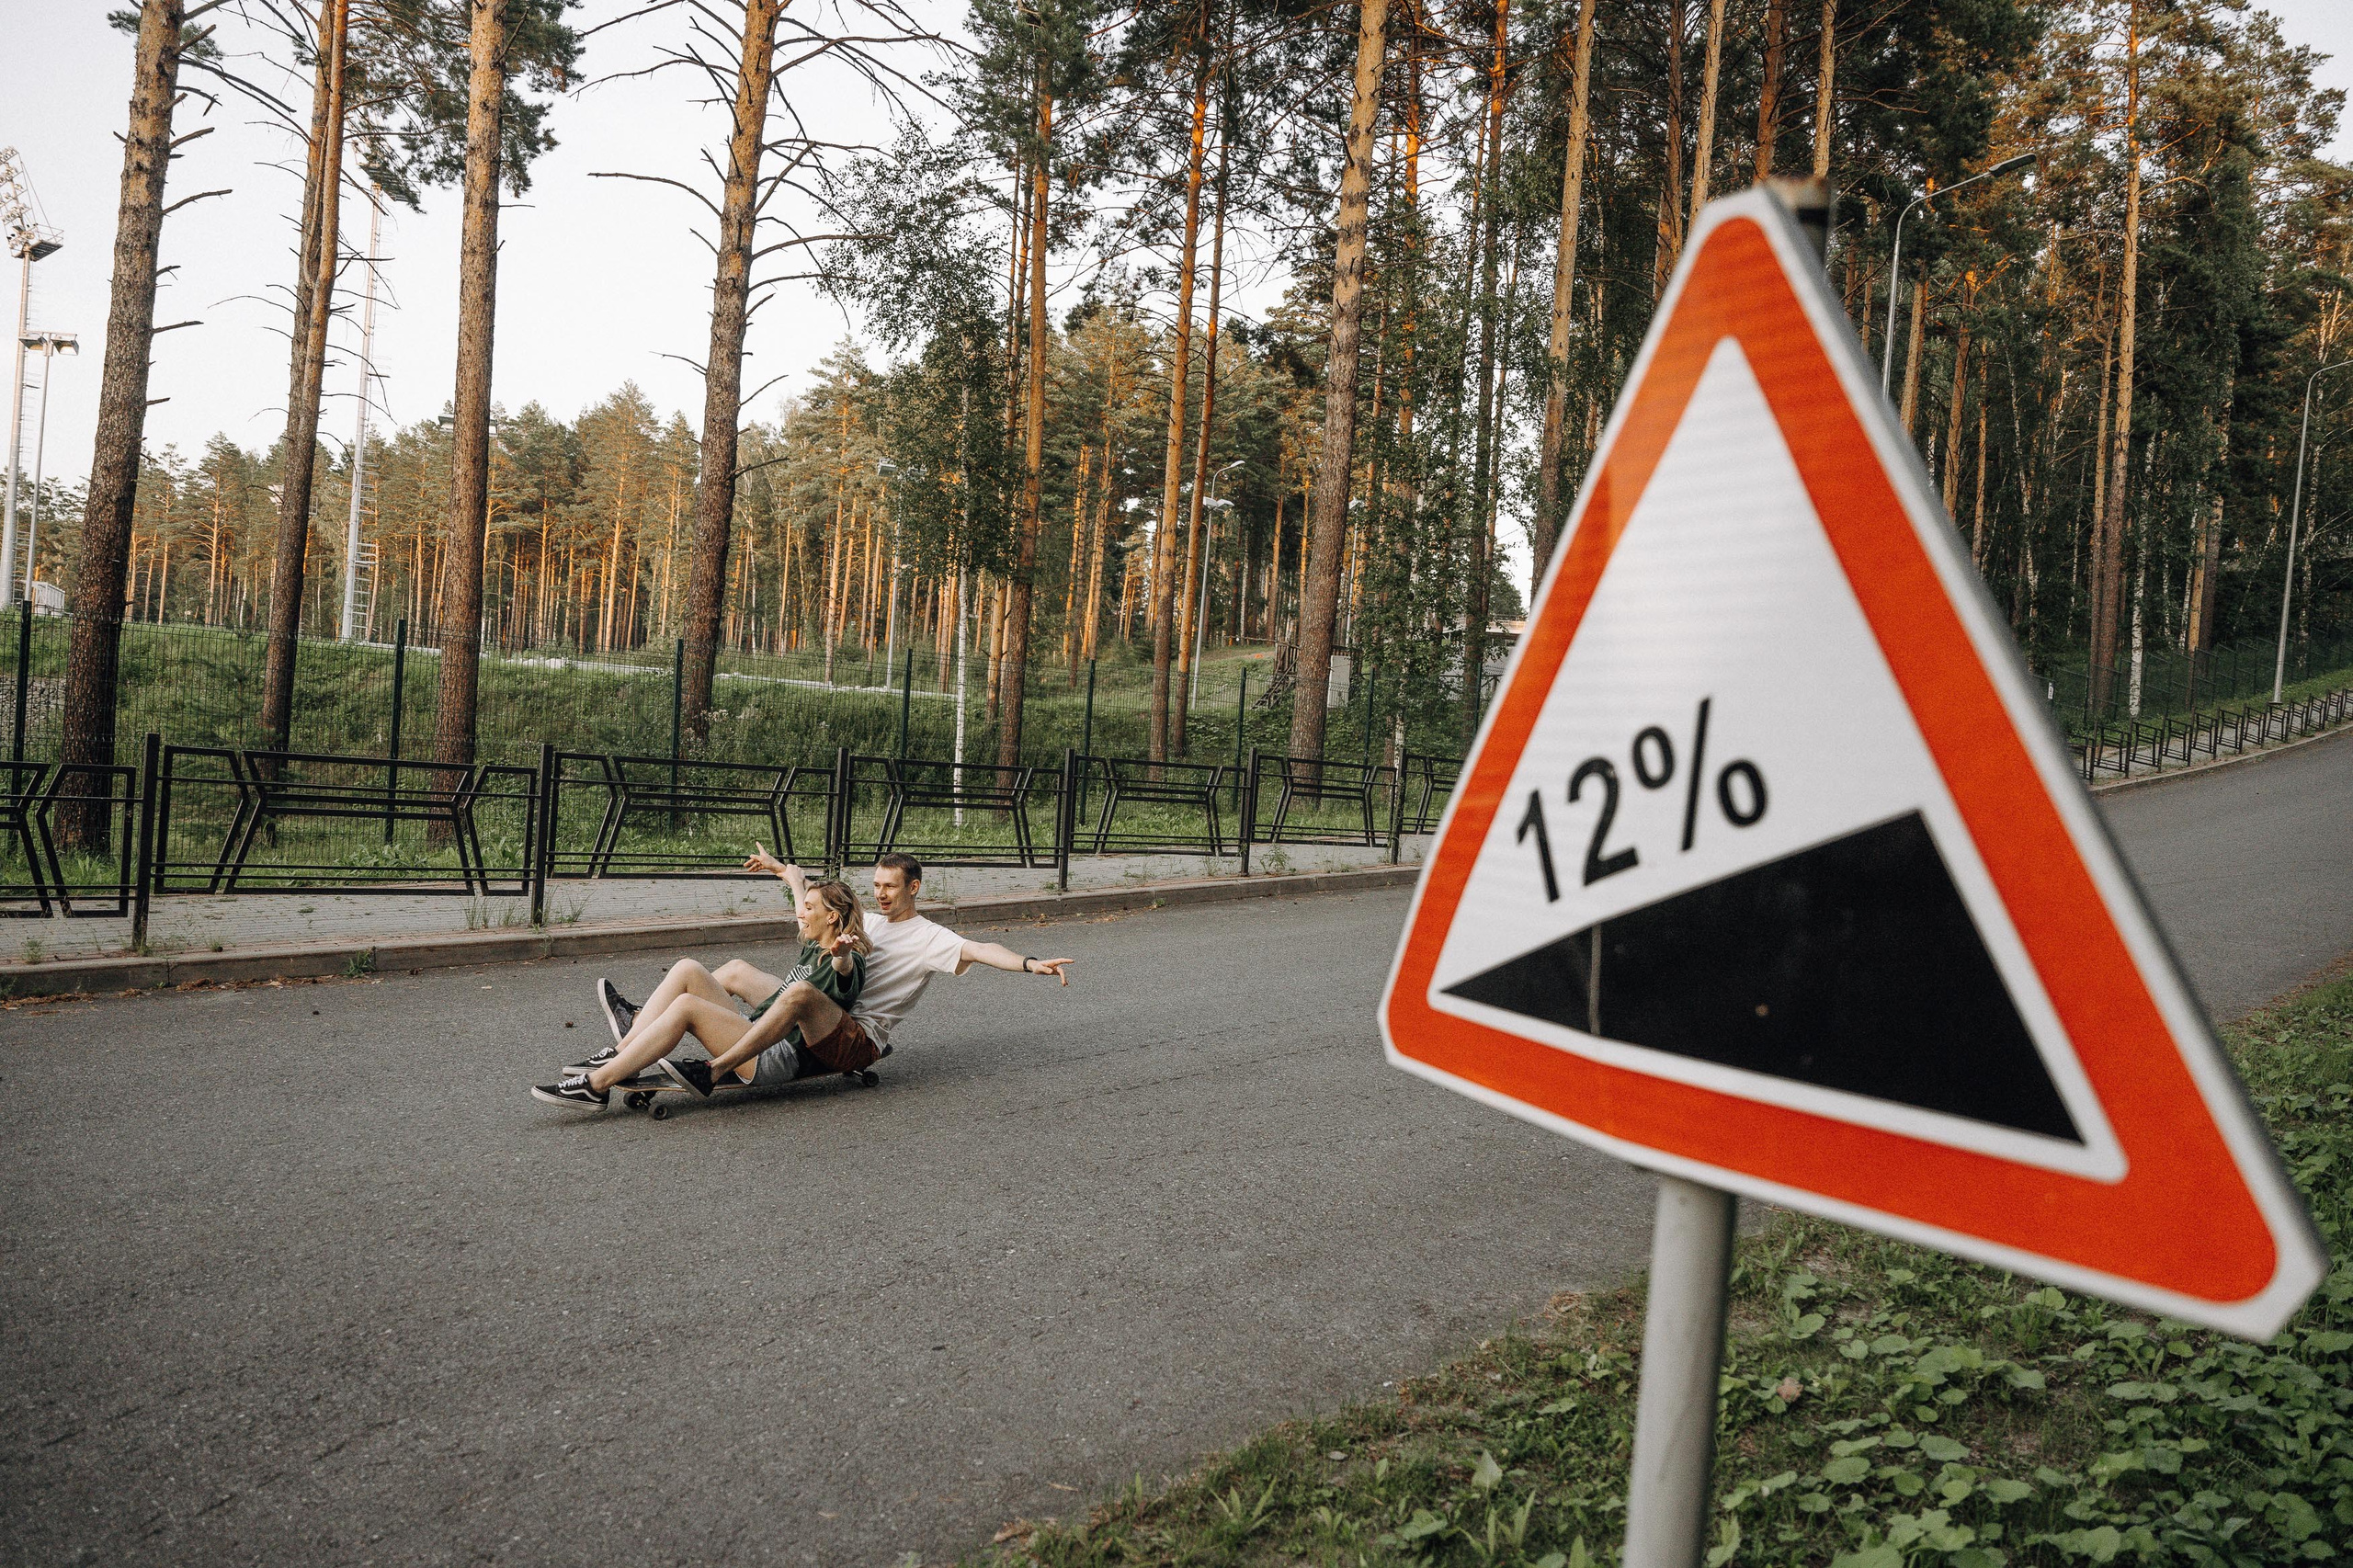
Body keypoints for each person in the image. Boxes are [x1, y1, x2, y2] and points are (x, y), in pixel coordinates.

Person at [530, 875, 870, 1108]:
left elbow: (844, 974)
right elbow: (804, 909)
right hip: (757, 1031)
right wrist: (792, 878)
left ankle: (597, 1086)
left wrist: (841, 957)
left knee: (687, 1007)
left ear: (833, 918)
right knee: (688, 968)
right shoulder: (815, 943)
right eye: (805, 905)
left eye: (811, 909)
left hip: (775, 1055)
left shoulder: (846, 957)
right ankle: (622, 1050)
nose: (802, 913)